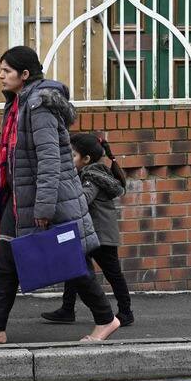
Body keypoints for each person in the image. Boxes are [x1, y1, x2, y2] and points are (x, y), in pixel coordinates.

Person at [0, 46, 121, 344]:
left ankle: (106, 319)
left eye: (7, 71)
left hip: (49, 198)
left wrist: (43, 208)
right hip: (20, 198)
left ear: (24, 74)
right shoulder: (19, 103)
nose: (1, 76)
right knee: (5, 259)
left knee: (70, 260)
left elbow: (49, 160)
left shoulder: (39, 106)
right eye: (1, 70)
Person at [41, 133, 134, 326]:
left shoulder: (92, 176)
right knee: (73, 267)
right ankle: (67, 309)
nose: (68, 159)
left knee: (112, 273)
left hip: (101, 235)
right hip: (88, 231)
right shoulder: (86, 173)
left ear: (86, 159)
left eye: (72, 155)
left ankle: (126, 311)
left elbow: (83, 199)